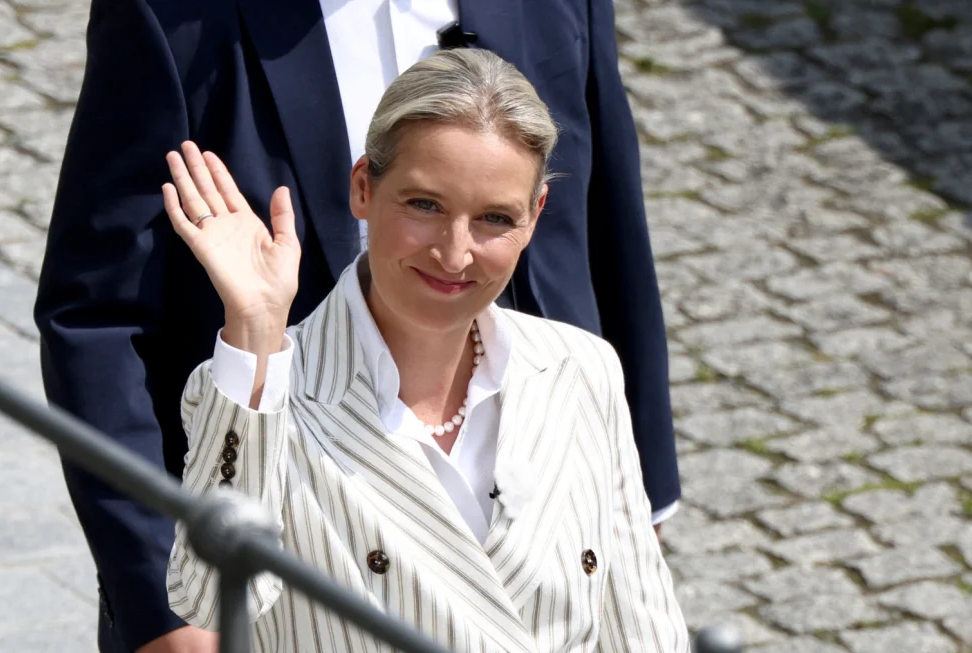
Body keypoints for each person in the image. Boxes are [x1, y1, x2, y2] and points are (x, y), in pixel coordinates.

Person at [34, 1, 679, 651]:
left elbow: (611, 215)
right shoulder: (172, 15)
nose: (454, 252)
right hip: (299, 497)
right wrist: (161, 612)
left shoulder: (581, 374)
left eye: (492, 219)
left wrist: (637, 495)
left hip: (536, 451)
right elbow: (96, 313)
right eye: (423, 204)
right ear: (363, 188)